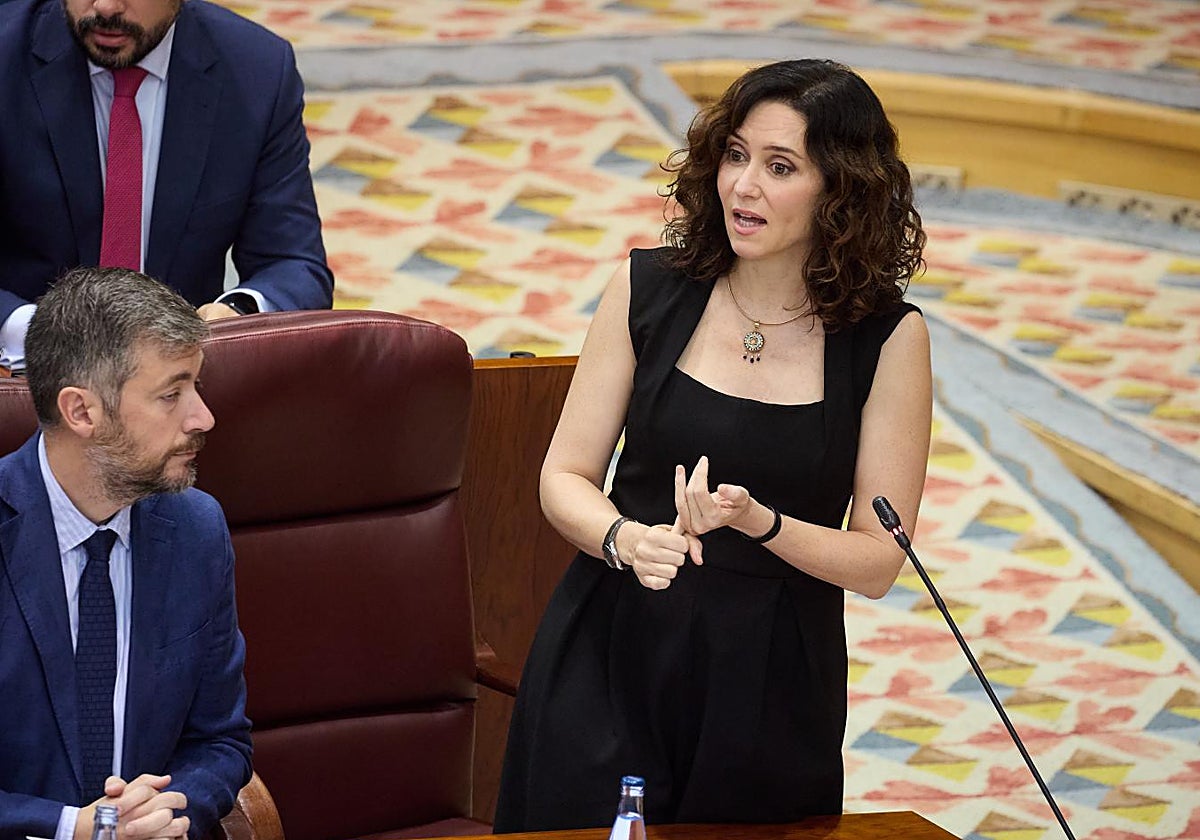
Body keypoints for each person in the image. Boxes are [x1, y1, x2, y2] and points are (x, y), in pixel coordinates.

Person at [494, 59, 932, 831]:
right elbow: (563, 473)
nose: (743, 186)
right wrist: (624, 538)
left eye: (780, 166)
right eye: (735, 155)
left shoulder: (887, 338)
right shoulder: (648, 287)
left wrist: (760, 522)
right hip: (615, 647)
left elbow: (878, 563)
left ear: (842, 191)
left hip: (772, 680)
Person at [0, 267, 252, 840]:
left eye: (197, 386)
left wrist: (161, 815)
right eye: (171, 394)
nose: (202, 417)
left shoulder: (196, 529)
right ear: (82, 412)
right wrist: (78, 827)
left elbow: (221, 740)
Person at [0, 0, 334, 373]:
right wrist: (32, 334)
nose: (106, 6)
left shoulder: (258, 70)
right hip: (18, 379)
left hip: (180, 387)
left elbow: (293, 263)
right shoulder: (6, 50)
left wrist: (237, 315)